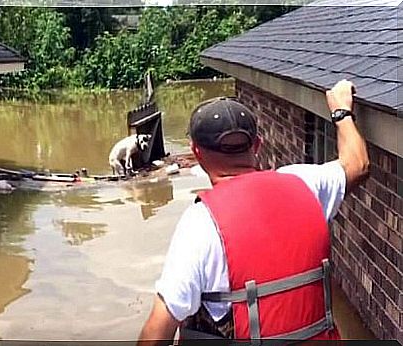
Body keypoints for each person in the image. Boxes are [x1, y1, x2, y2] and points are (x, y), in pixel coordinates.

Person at [137, 80, 369, 345]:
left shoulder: (200, 224)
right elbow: (358, 165)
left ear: (196, 153)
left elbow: (157, 333)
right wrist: (341, 111)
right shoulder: (305, 183)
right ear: (257, 145)